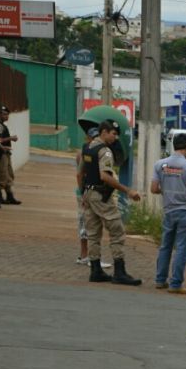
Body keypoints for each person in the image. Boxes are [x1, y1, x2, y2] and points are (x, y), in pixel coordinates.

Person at [81, 118, 142, 285]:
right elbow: (105, 176)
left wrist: (83, 195)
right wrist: (128, 190)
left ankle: (95, 270)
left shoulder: (87, 147)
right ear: (104, 132)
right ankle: (119, 271)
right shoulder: (105, 151)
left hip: (89, 194)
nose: (115, 138)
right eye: (113, 134)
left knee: (93, 233)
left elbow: (82, 173)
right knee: (117, 231)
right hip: (101, 195)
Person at [150, 133, 186, 294]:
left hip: (168, 210)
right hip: (184, 211)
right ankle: (175, 284)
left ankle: (160, 280)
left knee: (165, 246)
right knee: (181, 248)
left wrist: (168, 192)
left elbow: (154, 189)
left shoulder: (160, 164)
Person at [74, 126, 110, 268]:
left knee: (91, 223)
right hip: (86, 191)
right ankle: (86, 256)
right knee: (87, 223)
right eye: (92, 137)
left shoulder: (91, 150)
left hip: (87, 191)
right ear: (88, 138)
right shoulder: (84, 152)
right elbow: (80, 174)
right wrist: (82, 192)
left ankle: (88, 255)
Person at [0, 105, 20, 204]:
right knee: (2, 174)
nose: (6, 116)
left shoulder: (2, 125)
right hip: (1, 153)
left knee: (9, 174)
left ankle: (9, 195)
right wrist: (10, 138)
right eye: (4, 114)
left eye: (7, 114)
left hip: (6, 153)